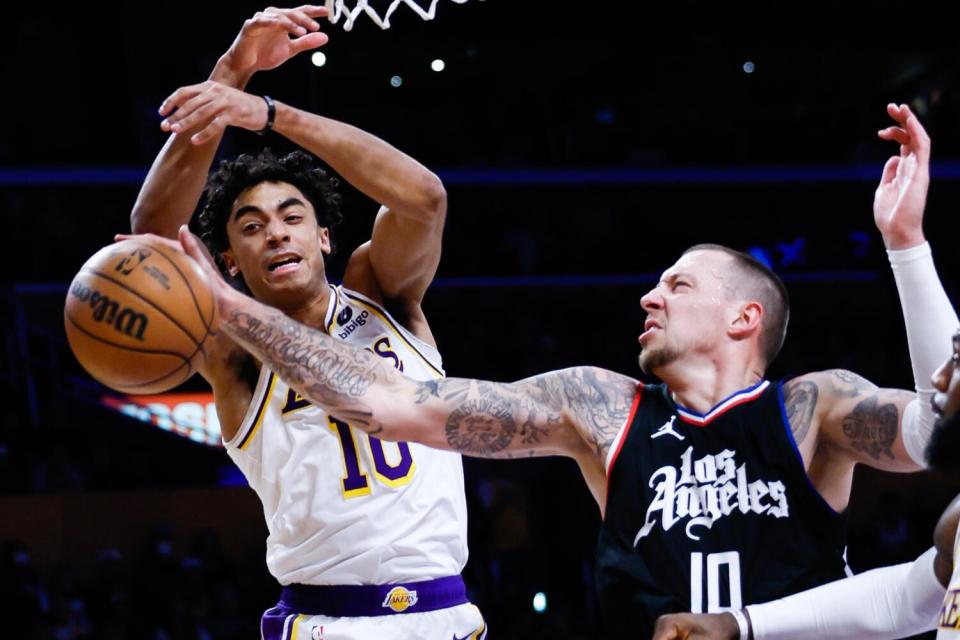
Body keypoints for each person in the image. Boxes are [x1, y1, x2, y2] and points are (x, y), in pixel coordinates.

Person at [169, 97, 957, 637]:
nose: (648, 297)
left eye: (676, 285)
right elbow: (394, 402)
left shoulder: (812, 408)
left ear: (743, 317)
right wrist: (236, 311)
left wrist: (906, 244)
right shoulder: (599, 406)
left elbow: (937, 433)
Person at [128, 5, 486, 639]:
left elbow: (425, 196)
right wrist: (230, 74)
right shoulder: (234, 347)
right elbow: (151, 241)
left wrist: (267, 113)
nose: (276, 233)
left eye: (292, 217)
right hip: (327, 621)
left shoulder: (386, 296)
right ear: (230, 263)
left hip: (447, 616)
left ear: (324, 238)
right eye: (252, 226)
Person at [650, 329, 960, 640]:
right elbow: (899, 601)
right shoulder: (956, 526)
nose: (939, 378)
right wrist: (738, 623)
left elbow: (925, 431)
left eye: (957, 361)